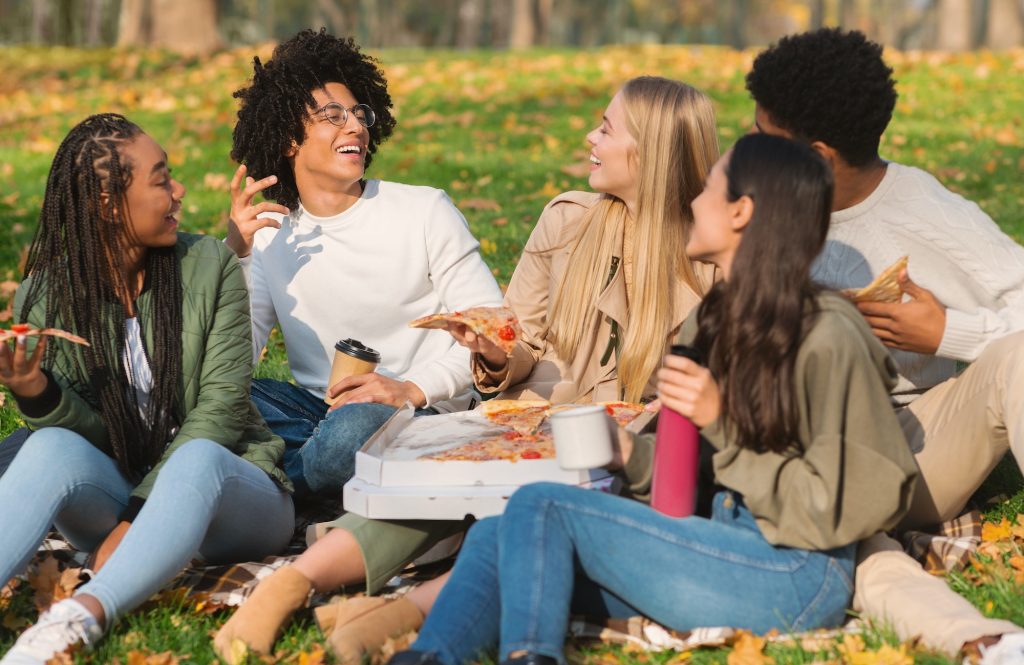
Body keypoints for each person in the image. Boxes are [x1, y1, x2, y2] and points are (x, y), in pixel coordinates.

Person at [213, 75, 720, 664]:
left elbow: (711, 389)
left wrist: (414, 388)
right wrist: (497, 354)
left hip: (628, 449)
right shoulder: (568, 221)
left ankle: (397, 610)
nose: (589, 135)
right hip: (533, 424)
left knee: (495, 505)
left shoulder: (710, 253)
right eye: (331, 115)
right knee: (444, 478)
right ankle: (290, 582)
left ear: (652, 150)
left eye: (606, 128)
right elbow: (520, 335)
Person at [388, 133, 919, 665]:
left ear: (741, 211)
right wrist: (630, 454)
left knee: (539, 504)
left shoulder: (828, 335)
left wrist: (720, 421)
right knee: (499, 537)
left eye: (709, 188)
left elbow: (847, 506)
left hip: (793, 577)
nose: (693, 201)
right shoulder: (713, 320)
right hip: (715, 544)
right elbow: (689, 481)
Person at [745, 28, 1024, 660]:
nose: (749, 148)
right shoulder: (754, 205)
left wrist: (946, 333)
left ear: (817, 156)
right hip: (809, 461)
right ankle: (989, 646)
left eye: (765, 138)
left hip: (914, 445)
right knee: (852, 554)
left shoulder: (924, 213)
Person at [0, 114, 294, 665]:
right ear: (109, 205)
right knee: (45, 448)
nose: (178, 191)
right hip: (122, 494)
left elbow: (222, 411)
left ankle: (78, 619)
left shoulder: (210, 266)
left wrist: (136, 517)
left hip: (234, 501)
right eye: (161, 179)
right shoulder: (45, 295)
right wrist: (35, 390)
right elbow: (93, 439)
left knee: (199, 456)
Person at [224, 28, 504, 500]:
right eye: (333, 115)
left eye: (359, 113)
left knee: (346, 439)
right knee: (212, 403)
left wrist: (409, 389)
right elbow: (235, 366)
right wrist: (239, 257)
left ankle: (277, 485)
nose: (354, 126)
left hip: (420, 414)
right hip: (316, 414)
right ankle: (331, 482)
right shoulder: (270, 238)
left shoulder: (423, 210)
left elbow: (491, 330)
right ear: (290, 137)